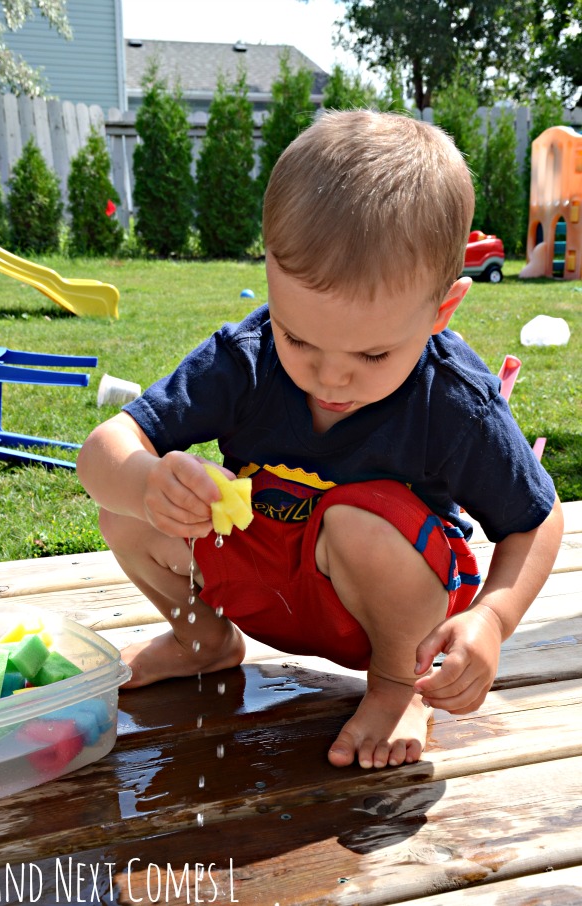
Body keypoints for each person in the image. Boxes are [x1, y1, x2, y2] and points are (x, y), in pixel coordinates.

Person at [77, 110, 563, 771]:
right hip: (272, 579)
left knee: (357, 520)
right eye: (298, 337)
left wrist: (493, 620)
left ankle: (396, 691)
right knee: (126, 509)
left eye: (372, 353)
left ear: (441, 310)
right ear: (270, 274)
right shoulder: (246, 359)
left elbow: (536, 520)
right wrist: (146, 482)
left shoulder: (451, 399)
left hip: (392, 613)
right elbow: (105, 448)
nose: (330, 377)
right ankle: (203, 641)